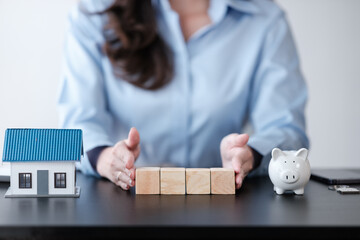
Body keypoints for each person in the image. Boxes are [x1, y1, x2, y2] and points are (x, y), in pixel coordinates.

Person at [58, 0, 309, 191]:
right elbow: (79, 122)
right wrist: (105, 159)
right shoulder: (96, 13)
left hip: (223, 207)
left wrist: (248, 155)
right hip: (121, 205)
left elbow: (285, 127)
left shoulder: (265, 20)